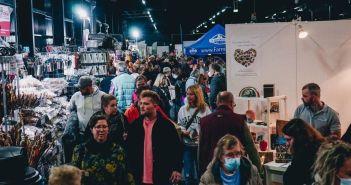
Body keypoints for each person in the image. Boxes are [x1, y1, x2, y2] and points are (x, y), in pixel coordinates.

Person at [126, 90, 183, 185]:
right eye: (141, 103)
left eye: (146, 104)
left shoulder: (166, 126)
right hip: (139, 176)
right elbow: (129, 149)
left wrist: (176, 169)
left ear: (155, 106)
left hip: (161, 176)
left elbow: (176, 148)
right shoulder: (135, 126)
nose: (142, 106)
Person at [199, 91, 261, 176]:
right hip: (235, 169)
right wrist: (259, 170)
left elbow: (201, 150)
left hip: (211, 169)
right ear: (232, 103)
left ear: (217, 103)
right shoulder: (239, 120)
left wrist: (201, 172)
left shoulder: (204, 121)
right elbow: (251, 148)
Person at [71, 114, 135, 185]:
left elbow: (127, 176)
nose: (101, 130)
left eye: (104, 127)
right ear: (91, 130)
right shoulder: (80, 150)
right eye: (98, 127)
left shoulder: (118, 151)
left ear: (108, 129)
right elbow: (72, 177)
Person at [177, 84, 211, 185]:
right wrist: (183, 131)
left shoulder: (205, 109)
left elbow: (209, 126)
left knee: (202, 173)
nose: (188, 96)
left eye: (191, 94)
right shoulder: (182, 109)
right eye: (187, 94)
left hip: (200, 146)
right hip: (187, 145)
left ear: (197, 95)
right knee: (188, 174)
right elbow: (179, 125)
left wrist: (201, 134)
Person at [282, 118, 326, 185]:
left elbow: (290, 179)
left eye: (289, 140)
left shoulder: (304, 156)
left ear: (299, 138)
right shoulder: (313, 147)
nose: (286, 144)